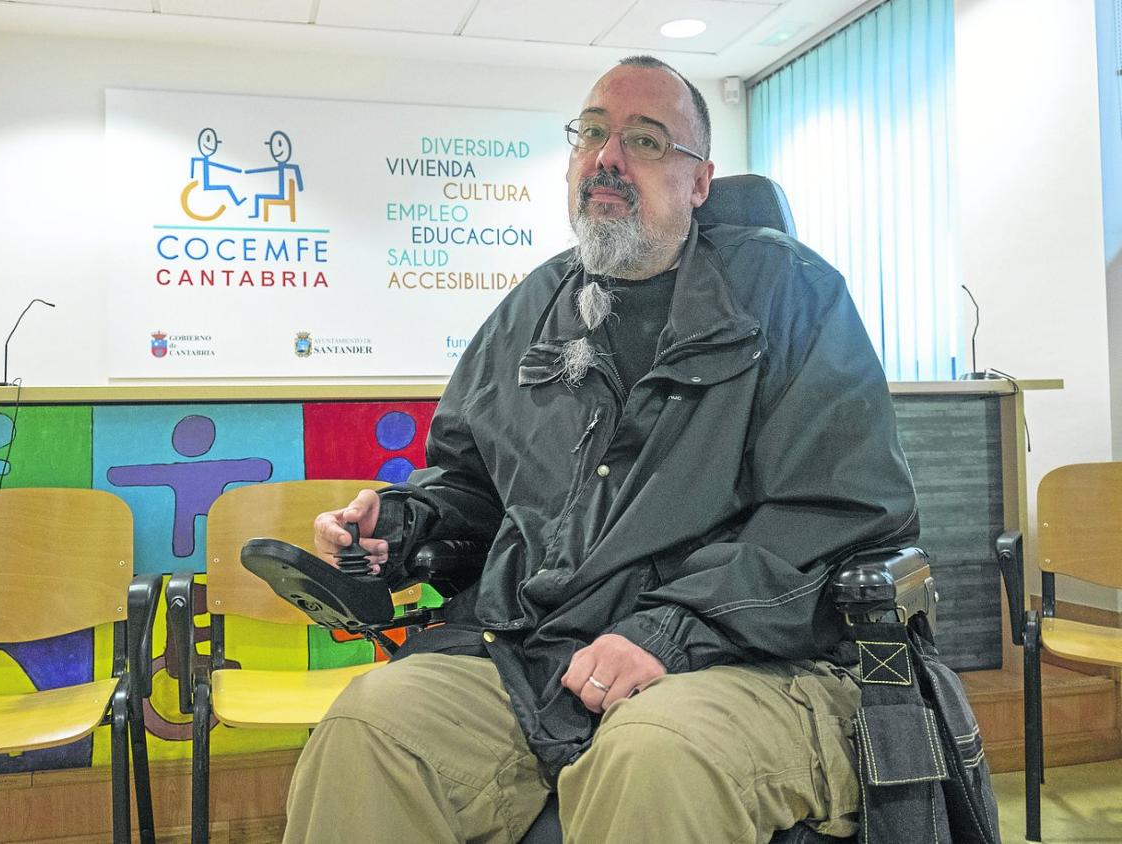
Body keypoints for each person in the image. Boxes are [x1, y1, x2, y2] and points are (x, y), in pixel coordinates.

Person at [284, 55, 919, 843]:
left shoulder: (789, 295)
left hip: (743, 657)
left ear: (699, 182)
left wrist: (668, 631)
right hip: (536, 656)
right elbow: (476, 485)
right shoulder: (529, 313)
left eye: (647, 141)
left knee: (653, 755)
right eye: (592, 133)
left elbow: (840, 512)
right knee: (372, 728)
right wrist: (408, 523)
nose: (608, 157)